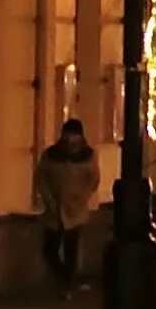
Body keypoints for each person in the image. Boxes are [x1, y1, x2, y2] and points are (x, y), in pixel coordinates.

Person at [33, 119, 99, 287]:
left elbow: (93, 179)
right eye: (68, 134)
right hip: (54, 208)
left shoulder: (88, 155)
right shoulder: (51, 155)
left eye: (74, 135)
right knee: (50, 249)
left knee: (71, 248)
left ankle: (67, 282)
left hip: (75, 209)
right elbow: (41, 177)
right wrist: (48, 199)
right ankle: (63, 277)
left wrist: (81, 197)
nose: (71, 139)